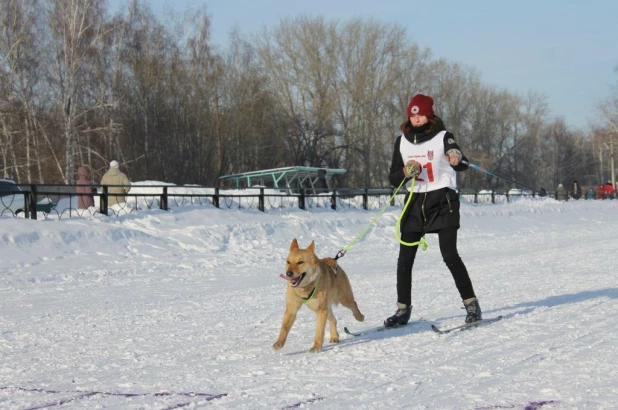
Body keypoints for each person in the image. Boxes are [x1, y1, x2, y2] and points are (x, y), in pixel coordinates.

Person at [385, 93, 481, 327]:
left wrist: (456, 157)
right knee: (404, 259)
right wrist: (407, 172)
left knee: (449, 255)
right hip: (414, 202)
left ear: (429, 115)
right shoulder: (402, 141)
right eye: (413, 115)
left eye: (421, 115)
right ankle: (402, 309)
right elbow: (393, 177)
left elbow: (462, 162)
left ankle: (471, 304)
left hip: (442, 200)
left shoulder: (443, 137)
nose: (416, 120)